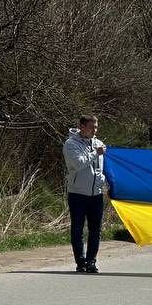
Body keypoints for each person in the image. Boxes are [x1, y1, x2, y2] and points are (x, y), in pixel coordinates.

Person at [63, 115, 106, 273]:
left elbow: (101, 169)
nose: (94, 130)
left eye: (96, 127)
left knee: (96, 229)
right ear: (81, 126)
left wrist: (105, 182)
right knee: (78, 229)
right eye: (91, 127)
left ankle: (91, 262)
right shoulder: (71, 144)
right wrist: (96, 153)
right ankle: (80, 262)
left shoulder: (99, 143)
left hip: (96, 194)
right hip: (78, 194)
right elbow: (78, 163)